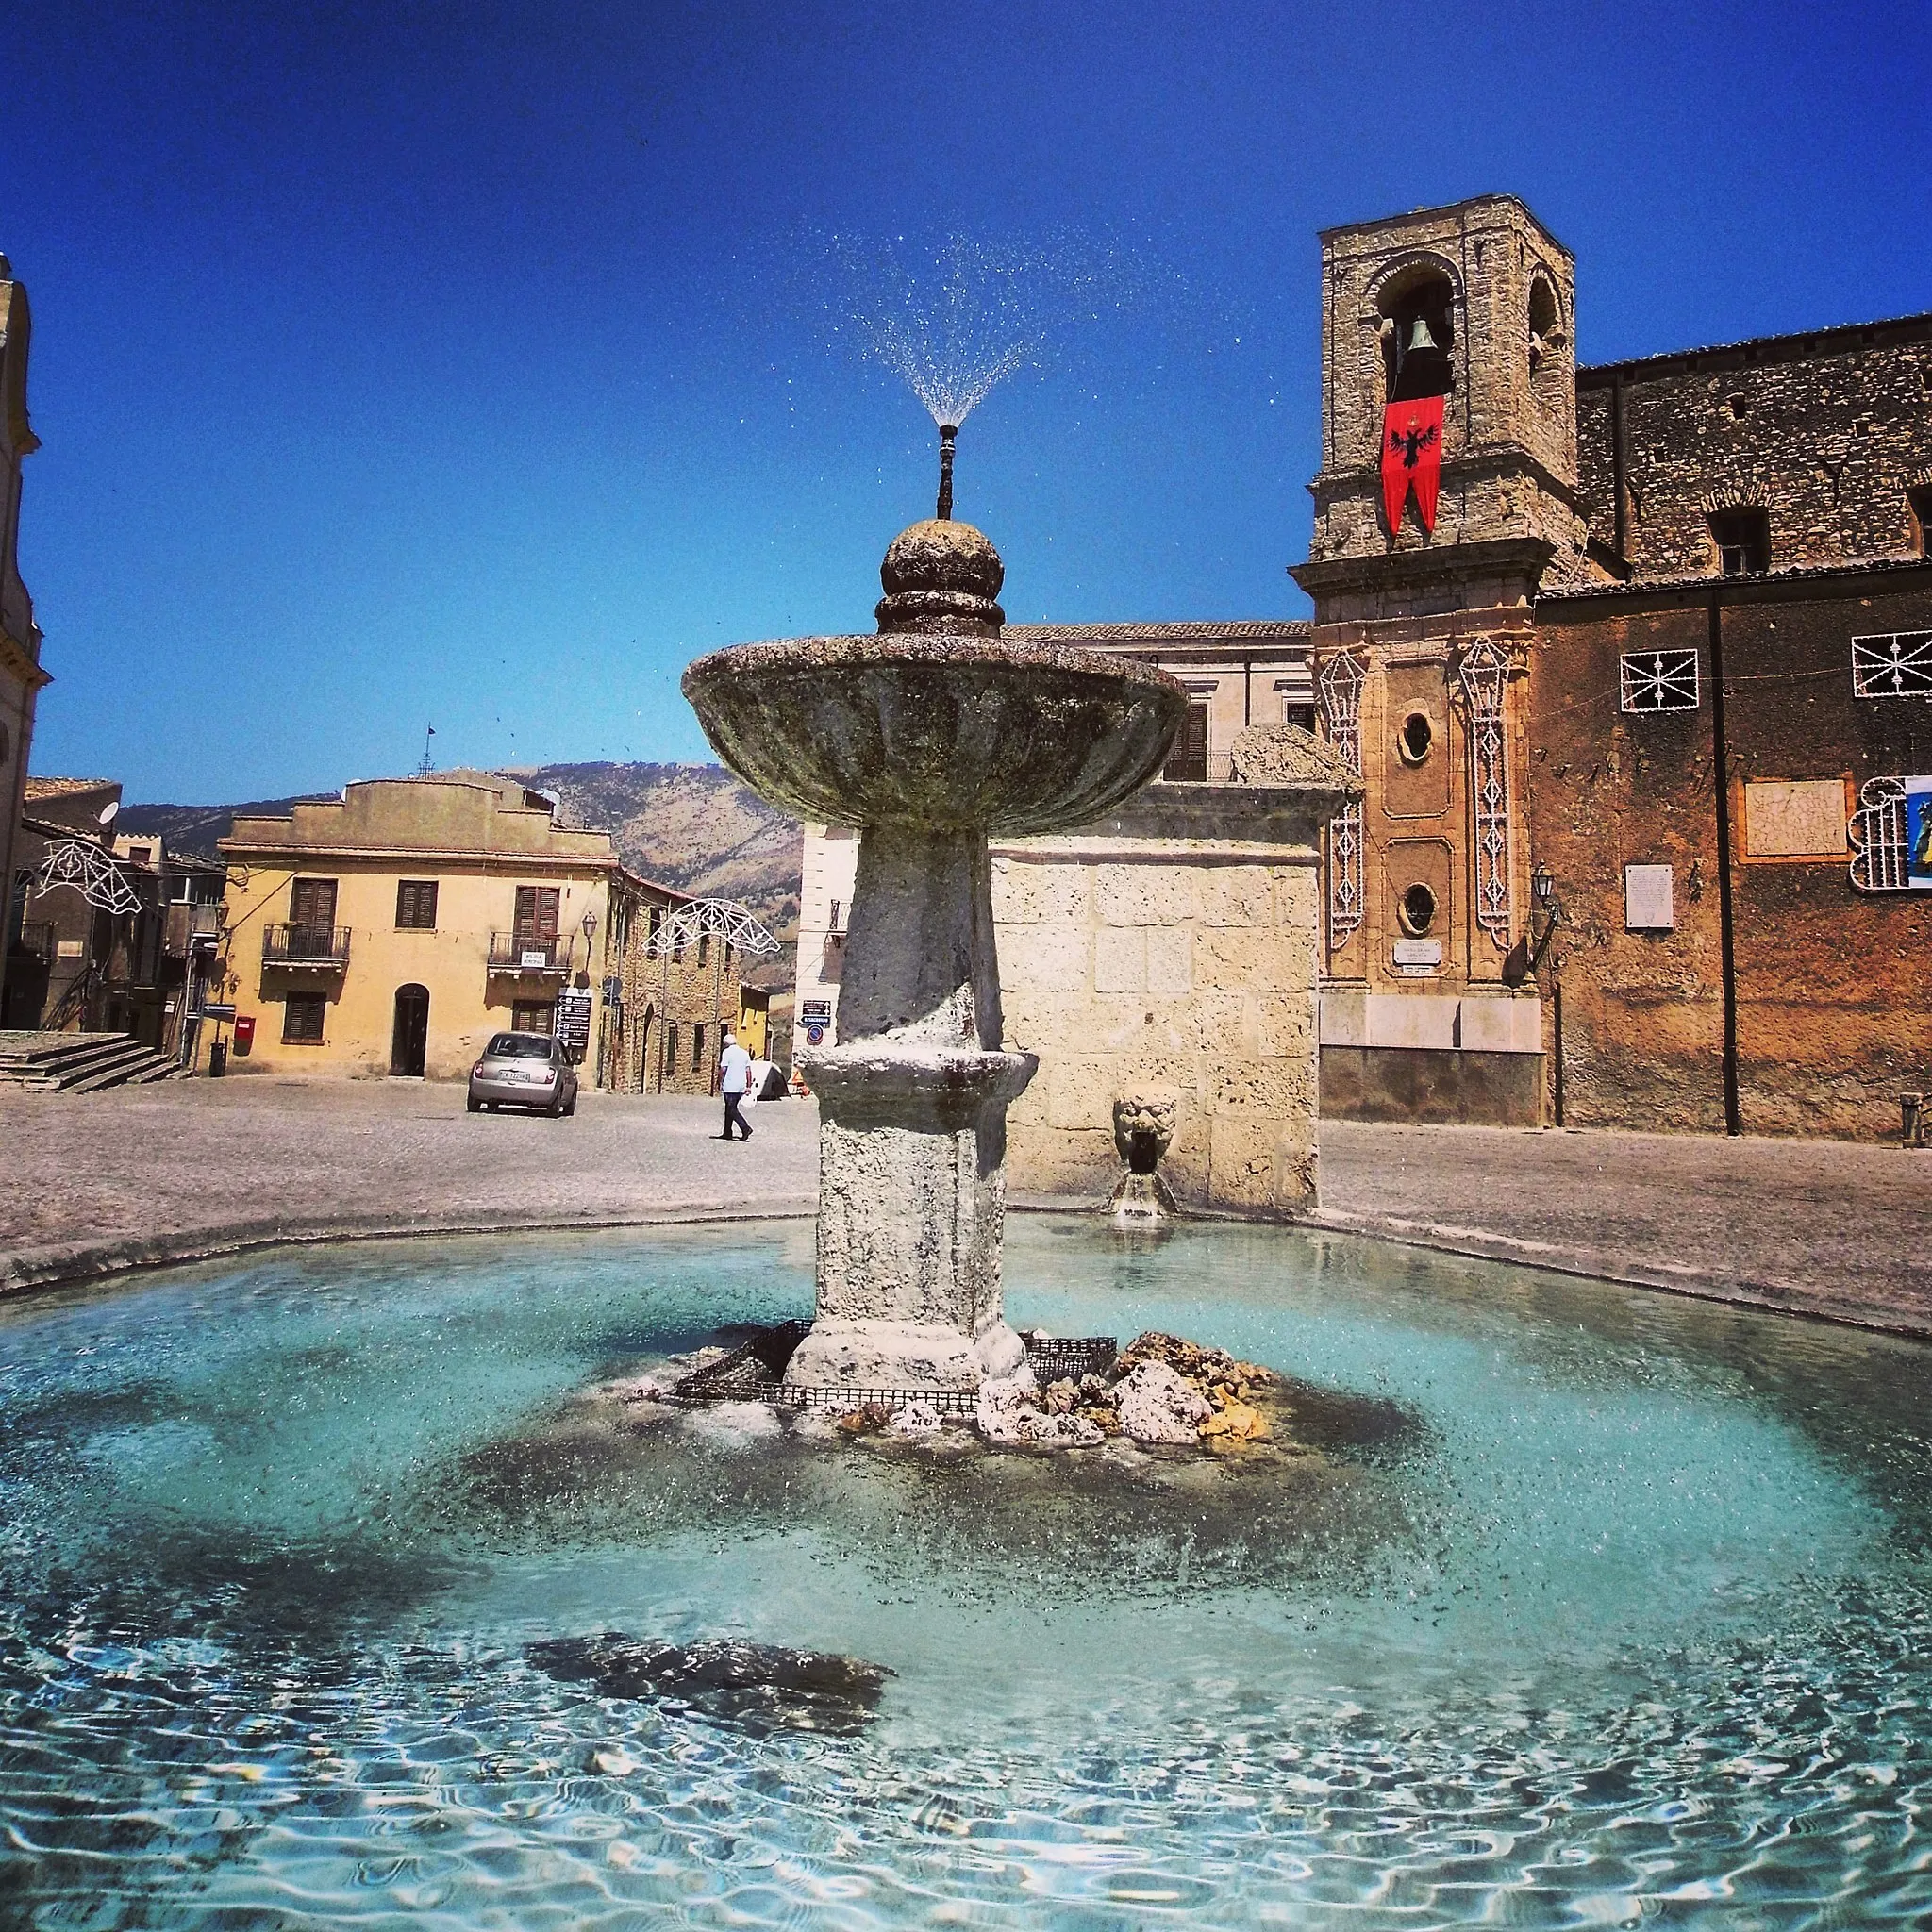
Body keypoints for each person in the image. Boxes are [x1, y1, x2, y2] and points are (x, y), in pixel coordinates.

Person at [717, 1030, 754, 1141]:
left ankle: (745, 1127)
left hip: (730, 1085)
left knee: (731, 1109)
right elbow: (748, 1071)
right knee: (730, 1109)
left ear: (726, 1044)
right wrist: (748, 1085)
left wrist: (719, 1081)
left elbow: (723, 1069)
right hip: (741, 1086)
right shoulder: (744, 1053)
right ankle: (727, 1131)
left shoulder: (727, 1053)